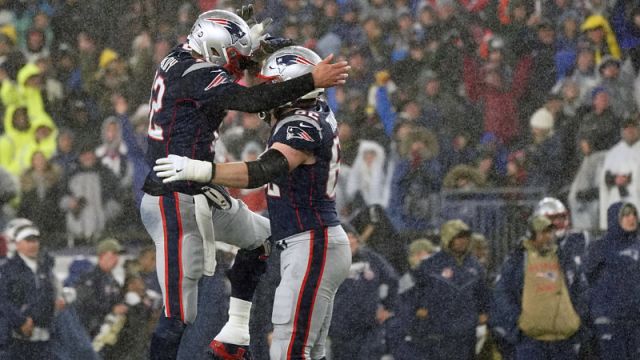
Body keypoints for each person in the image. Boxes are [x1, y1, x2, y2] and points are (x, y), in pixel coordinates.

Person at [140, 7, 349, 360]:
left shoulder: (180, 58)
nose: (244, 68)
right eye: (234, 58)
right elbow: (252, 101)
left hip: (197, 185)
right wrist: (310, 79)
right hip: (173, 194)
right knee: (179, 314)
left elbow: (238, 84)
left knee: (262, 241)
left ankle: (234, 333)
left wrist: (252, 53)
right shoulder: (198, 74)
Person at [490, 215, 586, 360]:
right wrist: (517, 323)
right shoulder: (517, 261)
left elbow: (581, 289)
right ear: (531, 235)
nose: (549, 237)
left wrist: (577, 319)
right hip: (531, 341)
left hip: (564, 340)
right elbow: (502, 293)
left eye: (550, 232)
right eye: (544, 233)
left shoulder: (564, 258)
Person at [584, 202, 640, 360]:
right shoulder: (600, 247)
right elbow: (586, 281)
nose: (632, 218)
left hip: (635, 321)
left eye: (634, 214)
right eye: (626, 214)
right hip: (609, 320)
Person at [0, 224, 65, 360]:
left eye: (35, 240)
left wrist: (54, 304)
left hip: (44, 337)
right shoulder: (8, 269)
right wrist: (20, 321)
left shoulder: (44, 268)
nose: (32, 245)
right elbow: (3, 300)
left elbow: (48, 294)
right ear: (17, 244)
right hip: (16, 340)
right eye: (28, 241)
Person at [73, 238, 127, 338]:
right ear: (102, 255)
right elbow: (84, 303)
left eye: (118, 255)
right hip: (89, 331)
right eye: (113, 254)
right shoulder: (89, 278)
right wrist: (111, 309)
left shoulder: (113, 281)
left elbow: (119, 299)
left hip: (108, 331)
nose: (117, 259)